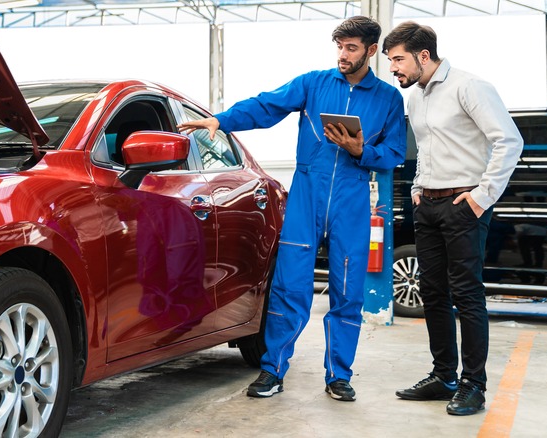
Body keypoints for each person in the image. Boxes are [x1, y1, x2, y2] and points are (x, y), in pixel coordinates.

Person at [178, 15, 406, 402]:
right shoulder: (314, 83)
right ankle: (273, 370)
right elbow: (267, 105)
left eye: (351, 48)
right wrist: (222, 118)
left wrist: (361, 150)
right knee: (289, 285)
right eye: (339, 47)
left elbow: (395, 153)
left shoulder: (388, 99)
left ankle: (339, 376)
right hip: (306, 195)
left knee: (348, 291)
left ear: (370, 51)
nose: (343, 56)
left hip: (351, 199)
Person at [383, 22, 523, 416]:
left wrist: (481, 197)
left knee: (467, 294)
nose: (393, 68)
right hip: (426, 204)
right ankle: (443, 375)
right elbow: (427, 147)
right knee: (433, 293)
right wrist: (416, 186)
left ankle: (473, 385)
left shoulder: (469, 86)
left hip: (463, 205)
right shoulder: (417, 98)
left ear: (423, 55)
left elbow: (508, 140)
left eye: (398, 59)